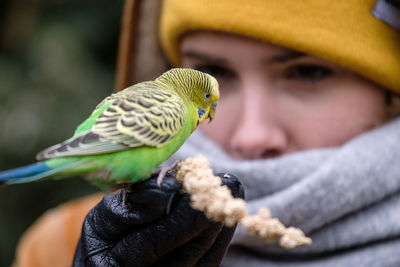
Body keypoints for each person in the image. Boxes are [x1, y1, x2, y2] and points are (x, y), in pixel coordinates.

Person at [14, 0, 400, 266]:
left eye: (308, 73)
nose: (252, 136)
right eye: (217, 70)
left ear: (391, 95)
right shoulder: (58, 248)